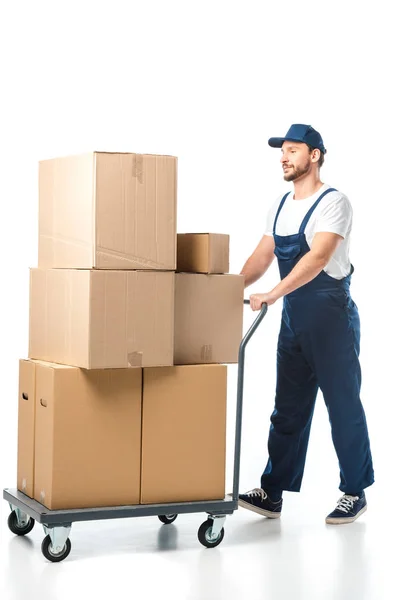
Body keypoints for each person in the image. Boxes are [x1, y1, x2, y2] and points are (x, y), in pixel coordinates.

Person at [238, 124, 374, 524]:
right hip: (295, 320)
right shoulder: (279, 206)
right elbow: (261, 258)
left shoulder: (335, 203)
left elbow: (316, 259)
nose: (284, 157)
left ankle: (354, 491)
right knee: (288, 410)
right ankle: (272, 492)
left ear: (314, 155)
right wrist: (228, 288)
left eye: (293, 150)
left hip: (331, 318)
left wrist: (272, 294)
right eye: (282, 151)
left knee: (342, 406)